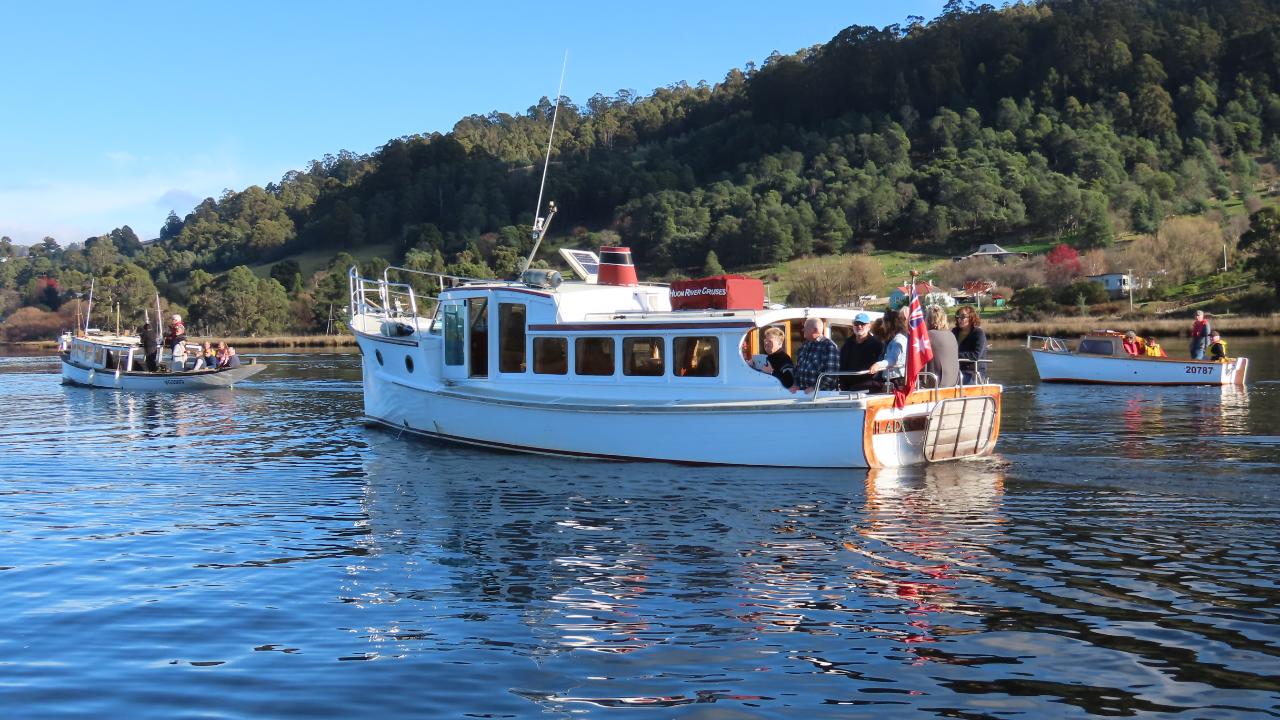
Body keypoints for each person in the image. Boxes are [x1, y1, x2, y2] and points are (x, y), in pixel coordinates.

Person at [791, 317, 840, 393]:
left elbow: (831, 375)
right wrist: (795, 384)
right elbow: (798, 369)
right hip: (801, 393)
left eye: (805, 328)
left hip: (821, 395)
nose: (803, 330)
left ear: (815, 330)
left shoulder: (829, 346)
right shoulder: (804, 345)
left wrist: (815, 388)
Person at [839, 312, 883, 391]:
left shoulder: (877, 344)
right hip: (847, 387)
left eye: (862, 324)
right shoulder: (847, 343)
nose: (859, 326)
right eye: (856, 324)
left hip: (868, 387)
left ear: (869, 326)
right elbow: (842, 364)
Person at [869, 307, 909, 392]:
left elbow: (893, 359)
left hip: (897, 382)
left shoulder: (898, 340)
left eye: (884, 323)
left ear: (889, 324)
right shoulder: (893, 339)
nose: (882, 326)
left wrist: (878, 365)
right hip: (891, 380)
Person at [924, 305, 960, 387]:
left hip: (937, 382)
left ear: (928, 320)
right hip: (954, 381)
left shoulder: (928, 335)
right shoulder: (951, 335)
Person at [952, 305, 988, 384]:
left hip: (973, 372)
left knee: (959, 381)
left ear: (971, 318)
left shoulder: (978, 333)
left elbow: (976, 355)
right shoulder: (954, 332)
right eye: (958, 317)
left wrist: (956, 355)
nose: (959, 319)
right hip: (956, 369)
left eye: (963, 317)